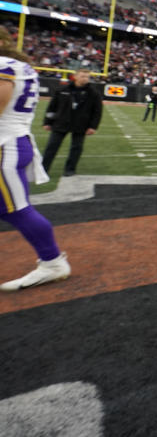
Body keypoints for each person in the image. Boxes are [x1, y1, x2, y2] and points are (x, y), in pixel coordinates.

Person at [0, 30, 72, 291]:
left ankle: (52, 262)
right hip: (14, 140)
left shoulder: (4, 66)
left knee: (16, 209)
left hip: (5, 145)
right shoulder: (20, 66)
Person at [41, 67, 101, 177]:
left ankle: (70, 169)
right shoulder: (62, 89)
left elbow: (97, 112)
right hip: (61, 122)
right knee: (52, 146)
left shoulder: (94, 93)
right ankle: (43, 169)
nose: (85, 79)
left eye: (87, 77)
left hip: (81, 124)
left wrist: (93, 126)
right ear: (75, 76)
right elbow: (52, 107)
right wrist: (47, 122)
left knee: (76, 148)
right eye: (82, 76)